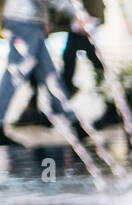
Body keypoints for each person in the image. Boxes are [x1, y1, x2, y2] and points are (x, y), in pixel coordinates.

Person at [0, 0, 95, 146]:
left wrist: (45, 19)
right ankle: (74, 123)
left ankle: (74, 122)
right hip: (24, 20)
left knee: (49, 75)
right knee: (15, 75)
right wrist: (77, 13)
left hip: (30, 21)